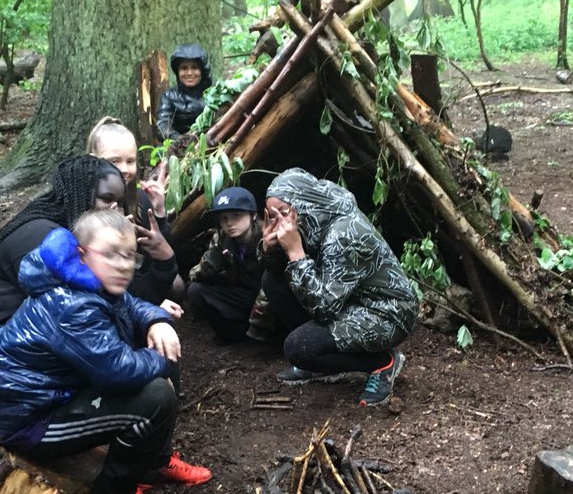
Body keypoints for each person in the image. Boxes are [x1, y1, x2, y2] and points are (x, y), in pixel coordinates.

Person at [0, 209, 211, 494]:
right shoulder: (71, 304)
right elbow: (118, 372)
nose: (124, 265)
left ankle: (155, 464)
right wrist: (160, 355)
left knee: (161, 355)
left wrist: (156, 321)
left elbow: (128, 303)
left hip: (59, 390)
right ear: (82, 255)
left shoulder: (86, 278)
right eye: (112, 255)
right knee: (154, 396)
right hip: (31, 418)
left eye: (129, 256)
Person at [260, 168, 418, 406]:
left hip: (386, 313)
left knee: (299, 347)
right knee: (273, 281)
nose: (279, 223)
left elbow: (323, 308)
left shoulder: (343, 235)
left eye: (284, 213)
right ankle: (316, 363)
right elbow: (285, 275)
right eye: (272, 216)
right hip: (347, 301)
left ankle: (382, 362)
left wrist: (295, 251)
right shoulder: (312, 224)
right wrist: (269, 249)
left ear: (304, 205)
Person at [0, 156, 125, 353]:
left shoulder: (69, 227)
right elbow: (76, 306)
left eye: (118, 203)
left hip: (29, 324)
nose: (114, 211)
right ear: (80, 192)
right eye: (107, 200)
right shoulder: (45, 238)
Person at [86, 117, 182, 305]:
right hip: (97, 281)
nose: (124, 169)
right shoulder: (85, 200)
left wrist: (159, 211)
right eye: (114, 160)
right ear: (93, 160)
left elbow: (157, 249)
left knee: (177, 285)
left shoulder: (139, 198)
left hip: (133, 272)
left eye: (130, 161)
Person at [187, 186, 271, 343]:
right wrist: (210, 264)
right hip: (244, 294)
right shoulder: (222, 240)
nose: (229, 223)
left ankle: (269, 337)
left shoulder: (268, 237)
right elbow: (194, 275)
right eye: (224, 218)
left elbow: (271, 284)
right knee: (196, 291)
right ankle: (231, 334)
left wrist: (257, 326)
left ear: (253, 215)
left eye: (236, 216)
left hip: (269, 300)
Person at [156, 43, 212, 140]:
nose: (189, 73)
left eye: (194, 67)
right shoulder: (169, 96)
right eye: (184, 68)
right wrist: (181, 140)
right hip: (179, 148)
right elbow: (163, 125)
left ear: (203, 70)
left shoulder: (214, 95)